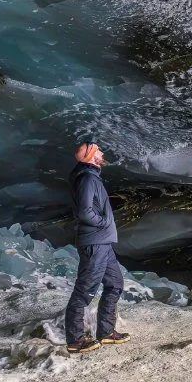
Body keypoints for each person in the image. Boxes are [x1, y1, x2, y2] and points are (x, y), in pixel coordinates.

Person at [64, 142, 131, 353]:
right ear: (92, 156)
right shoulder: (86, 178)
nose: (102, 153)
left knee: (115, 283)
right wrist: (103, 223)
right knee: (84, 290)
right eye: (98, 150)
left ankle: (106, 332)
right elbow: (85, 212)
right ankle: (75, 340)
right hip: (95, 243)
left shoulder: (92, 177)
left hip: (102, 243)